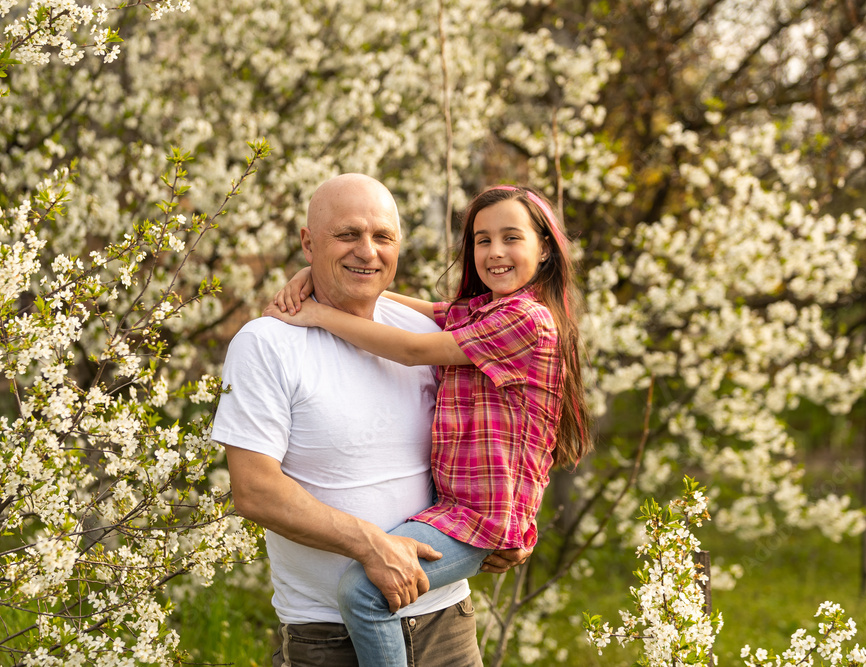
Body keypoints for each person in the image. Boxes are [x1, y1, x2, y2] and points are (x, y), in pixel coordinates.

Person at [266, 184, 593, 667]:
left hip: (481, 517)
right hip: (457, 510)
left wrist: (319, 313)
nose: (495, 252)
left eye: (511, 238)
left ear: (545, 248)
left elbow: (412, 349)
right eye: (482, 240)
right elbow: (412, 308)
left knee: (363, 594)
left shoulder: (527, 321)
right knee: (368, 590)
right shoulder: (485, 311)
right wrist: (315, 274)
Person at [212, 173, 529, 667]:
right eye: (347, 235)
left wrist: (509, 521)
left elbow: (506, 426)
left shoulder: (424, 335)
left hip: (447, 625)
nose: (368, 251)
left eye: (383, 236)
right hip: (330, 635)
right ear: (308, 243)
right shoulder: (267, 343)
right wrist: (371, 547)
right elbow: (255, 490)